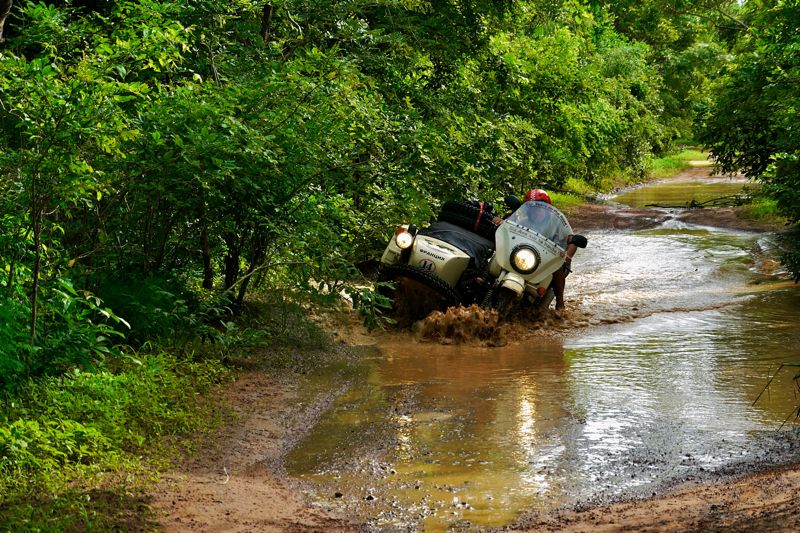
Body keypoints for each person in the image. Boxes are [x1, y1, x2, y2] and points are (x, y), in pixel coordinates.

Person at [522, 188, 587, 310]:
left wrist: (567, 255)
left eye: (539, 207)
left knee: (556, 267)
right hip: (526, 255)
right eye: (532, 207)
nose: (535, 211)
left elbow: (572, 240)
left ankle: (560, 303)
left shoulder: (557, 223)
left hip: (551, 259)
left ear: (547, 208)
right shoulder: (522, 220)